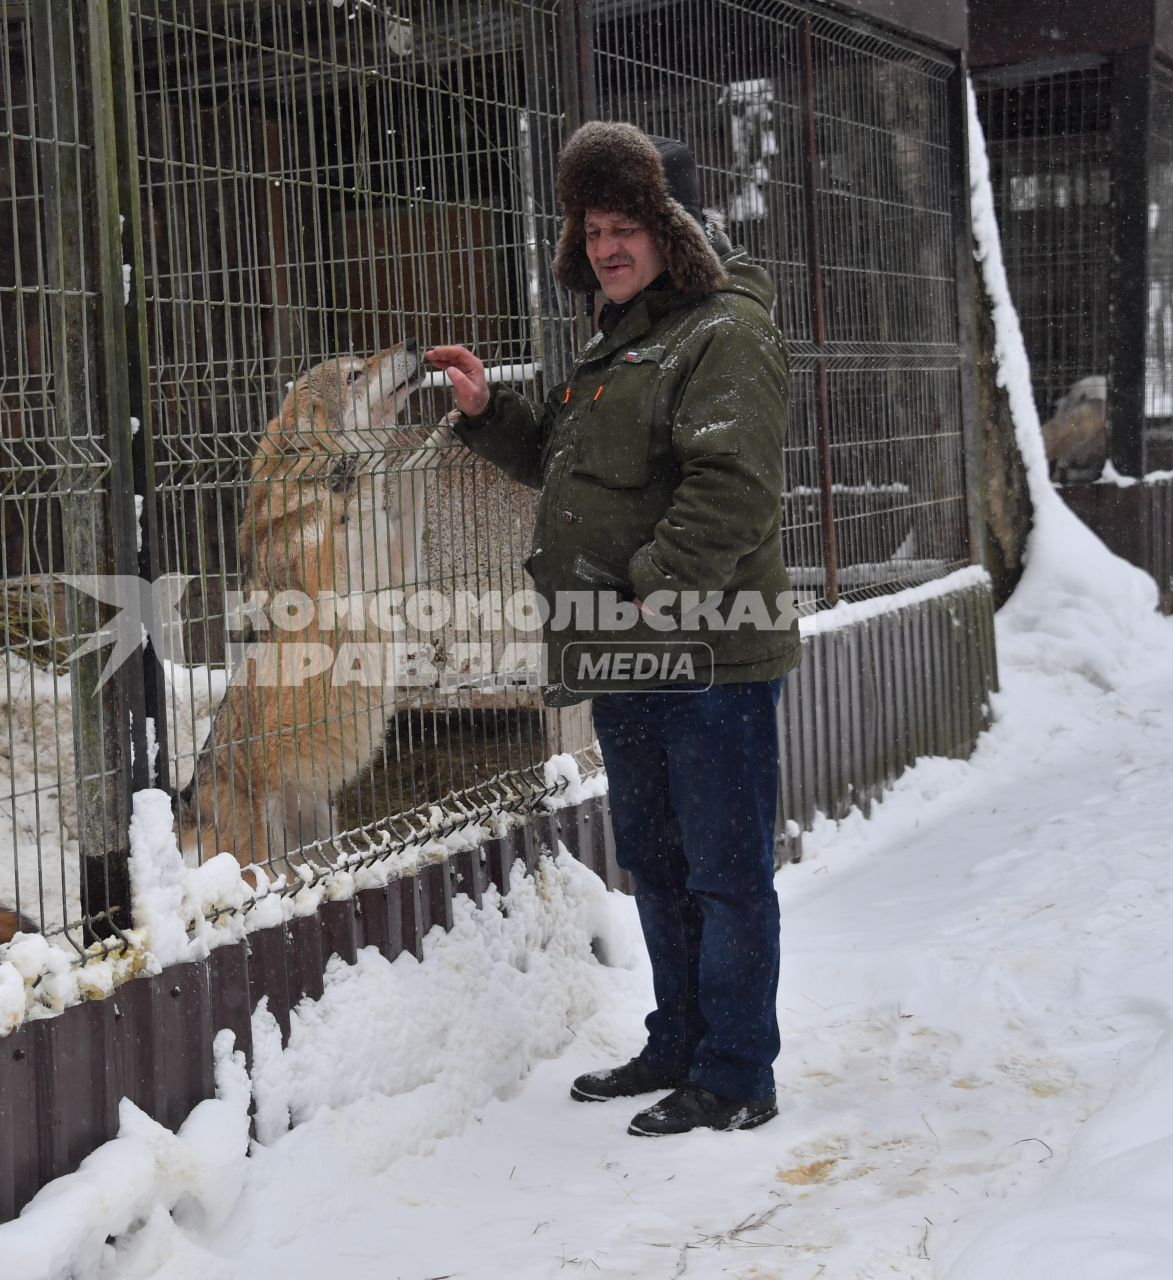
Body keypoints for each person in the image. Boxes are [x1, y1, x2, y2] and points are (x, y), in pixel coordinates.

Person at [426, 121, 798, 1137]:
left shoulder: (723, 334)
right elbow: (560, 451)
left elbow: (733, 488)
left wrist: (655, 589)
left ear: (673, 231)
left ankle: (736, 1070)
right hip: (626, 650)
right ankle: (678, 1038)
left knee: (725, 871)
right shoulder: (617, 337)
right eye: (593, 227)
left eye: (626, 224)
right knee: (660, 858)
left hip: (710, 652)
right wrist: (485, 408)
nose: (606, 246)